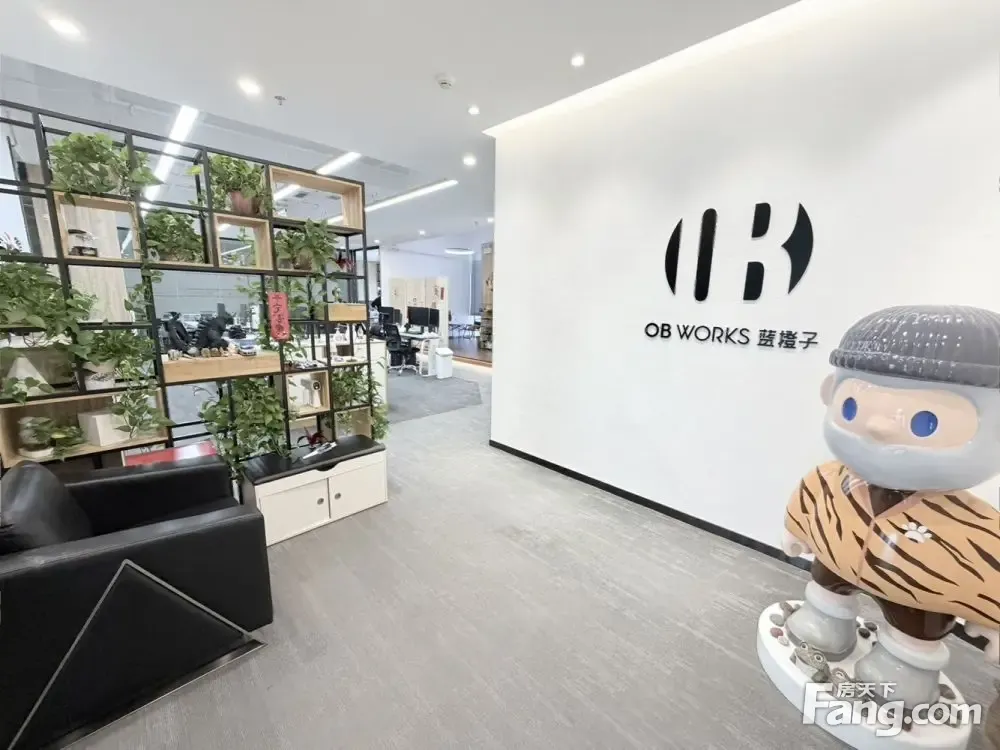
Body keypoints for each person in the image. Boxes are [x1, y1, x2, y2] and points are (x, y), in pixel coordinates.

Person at [783, 305, 1000, 707]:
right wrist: (797, 530)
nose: (877, 427)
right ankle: (825, 623)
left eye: (925, 422)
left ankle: (903, 670)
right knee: (827, 589)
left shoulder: (971, 523)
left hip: (919, 591)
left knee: (914, 633)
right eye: (851, 408)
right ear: (830, 394)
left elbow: (989, 562)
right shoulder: (832, 479)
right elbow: (809, 499)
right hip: (836, 558)